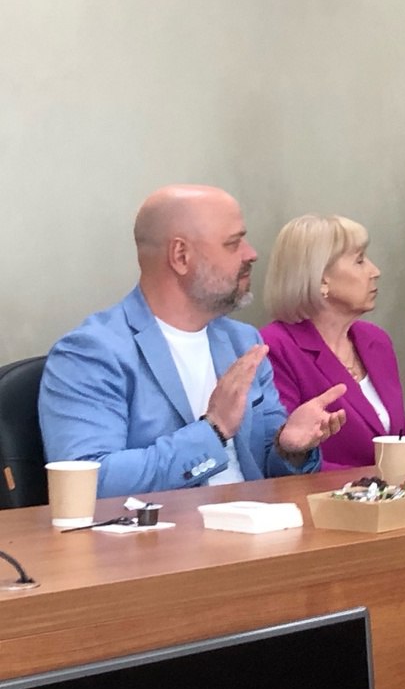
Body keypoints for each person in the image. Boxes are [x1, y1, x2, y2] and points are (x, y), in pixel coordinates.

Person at [39, 185, 347, 498]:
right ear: (181, 256)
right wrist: (213, 430)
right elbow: (88, 483)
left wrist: (290, 448)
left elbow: (268, 470)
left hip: (259, 523)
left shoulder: (243, 342)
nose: (251, 253)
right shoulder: (91, 352)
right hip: (166, 529)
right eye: (233, 243)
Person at [261, 215, 405, 471]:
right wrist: (375, 483)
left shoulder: (375, 341)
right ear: (321, 278)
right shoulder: (275, 347)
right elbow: (280, 461)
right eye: (360, 260)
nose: (375, 271)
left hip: (389, 492)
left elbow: (401, 442)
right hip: (328, 494)